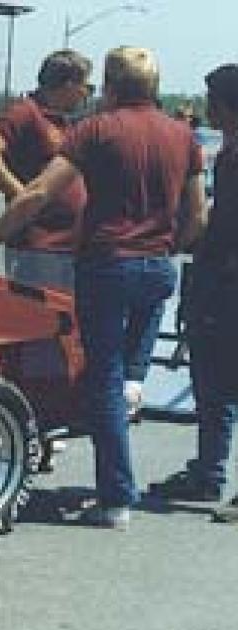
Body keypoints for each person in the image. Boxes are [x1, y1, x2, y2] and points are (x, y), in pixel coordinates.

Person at [0, 46, 206, 530]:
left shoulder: (96, 129)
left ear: (111, 86)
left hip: (107, 263)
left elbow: (39, 192)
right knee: (128, 367)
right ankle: (136, 383)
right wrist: (168, 247)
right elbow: (197, 216)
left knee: (102, 376)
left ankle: (116, 498)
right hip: (158, 266)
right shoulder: (184, 135)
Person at [149, 65, 238, 517]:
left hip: (228, 282)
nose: (208, 109)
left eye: (213, 101)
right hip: (213, 276)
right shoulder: (227, 152)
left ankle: (211, 473)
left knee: (224, 380)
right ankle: (207, 473)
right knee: (210, 383)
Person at [0, 50, 92, 293]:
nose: (87, 94)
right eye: (87, 86)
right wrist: (22, 195)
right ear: (69, 85)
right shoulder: (25, 113)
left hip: (69, 246)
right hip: (39, 247)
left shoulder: (61, 121)